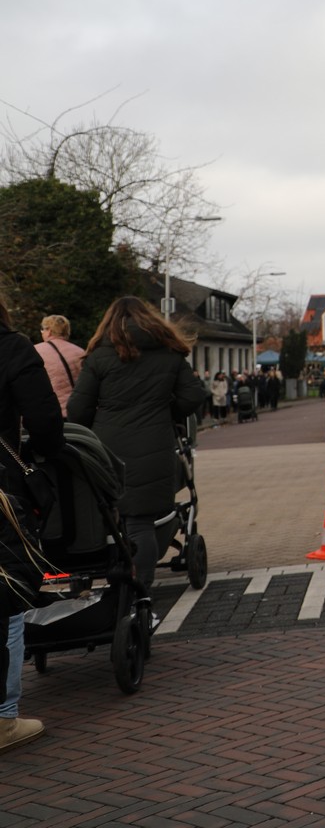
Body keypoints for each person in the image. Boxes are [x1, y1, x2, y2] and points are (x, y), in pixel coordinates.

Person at [67, 297, 208, 595]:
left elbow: (78, 409)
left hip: (107, 449)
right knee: (142, 524)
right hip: (154, 446)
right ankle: (140, 593)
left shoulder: (99, 357)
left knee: (107, 518)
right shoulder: (169, 353)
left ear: (108, 323)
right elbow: (193, 396)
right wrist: (165, 414)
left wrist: (99, 423)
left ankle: (106, 583)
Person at [0, 294, 57, 753]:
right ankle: (3, 719)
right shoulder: (11, 347)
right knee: (6, 598)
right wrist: (42, 458)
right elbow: (45, 421)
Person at [34, 315, 85, 416]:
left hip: (52, 411)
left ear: (49, 331)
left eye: (42, 330)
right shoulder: (80, 352)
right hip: (79, 410)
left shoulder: (35, 351)